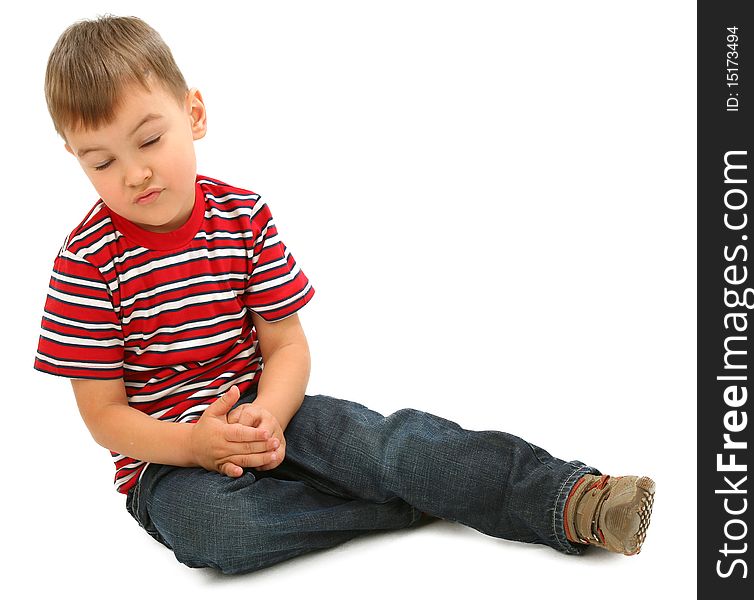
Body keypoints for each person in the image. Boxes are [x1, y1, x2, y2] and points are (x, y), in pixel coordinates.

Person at [34, 15, 655, 575]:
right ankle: (417, 503)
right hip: (169, 463)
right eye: (101, 161)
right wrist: (193, 444)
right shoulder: (86, 262)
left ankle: (571, 500)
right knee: (220, 530)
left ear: (193, 113)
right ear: (74, 157)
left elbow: (286, 348)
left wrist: (270, 416)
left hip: (274, 411)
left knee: (389, 444)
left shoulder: (241, 216)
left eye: (148, 141)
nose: (135, 173)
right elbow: (105, 417)